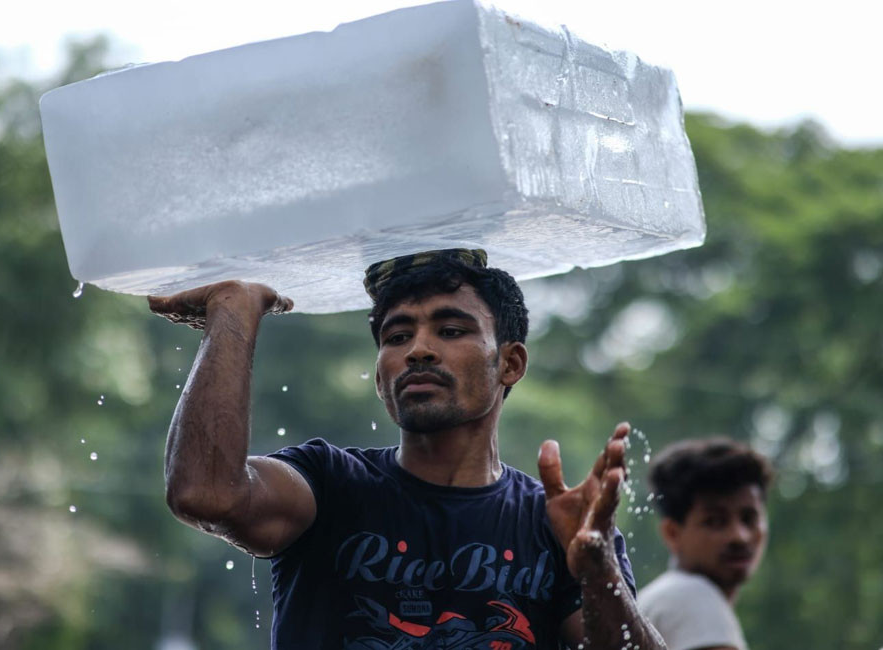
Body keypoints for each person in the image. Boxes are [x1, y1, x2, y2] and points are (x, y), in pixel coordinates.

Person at [150, 248, 666, 649]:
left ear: (509, 364)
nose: (417, 349)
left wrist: (598, 571)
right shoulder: (329, 483)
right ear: (379, 377)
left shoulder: (561, 528)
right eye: (396, 337)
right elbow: (206, 493)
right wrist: (233, 311)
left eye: (450, 329)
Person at [638, 438, 773, 650]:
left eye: (749, 518)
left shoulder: (661, 599)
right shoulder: (690, 596)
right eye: (715, 521)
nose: (739, 536)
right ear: (672, 534)